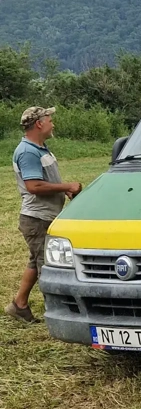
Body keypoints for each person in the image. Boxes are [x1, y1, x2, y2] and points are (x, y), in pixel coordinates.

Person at [6, 107, 82, 324]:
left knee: (35, 261)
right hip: (37, 219)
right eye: (49, 119)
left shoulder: (39, 148)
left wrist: (62, 189)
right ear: (39, 123)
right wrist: (67, 185)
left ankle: (19, 305)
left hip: (43, 217)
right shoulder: (28, 152)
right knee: (48, 266)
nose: (52, 123)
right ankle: (59, 317)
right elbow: (33, 185)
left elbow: (43, 181)